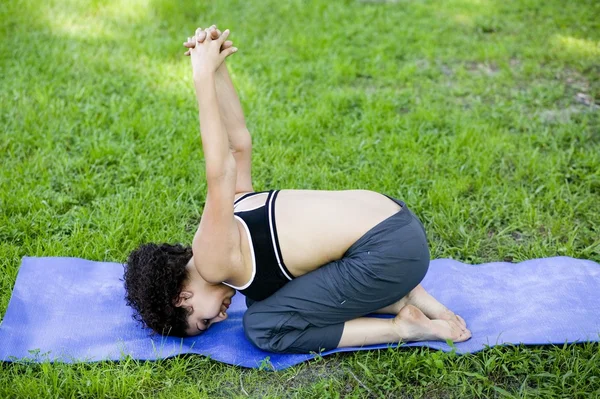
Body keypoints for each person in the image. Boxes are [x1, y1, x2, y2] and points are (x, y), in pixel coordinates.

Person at [123, 26, 472, 354]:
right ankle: (407, 297)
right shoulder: (236, 211)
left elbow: (219, 170)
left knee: (262, 324)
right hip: (397, 224)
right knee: (266, 297)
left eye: (204, 320)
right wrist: (220, 69)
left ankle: (402, 327)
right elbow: (239, 144)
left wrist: (202, 75)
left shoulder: (212, 260)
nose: (221, 318)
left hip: (387, 253)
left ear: (182, 298)